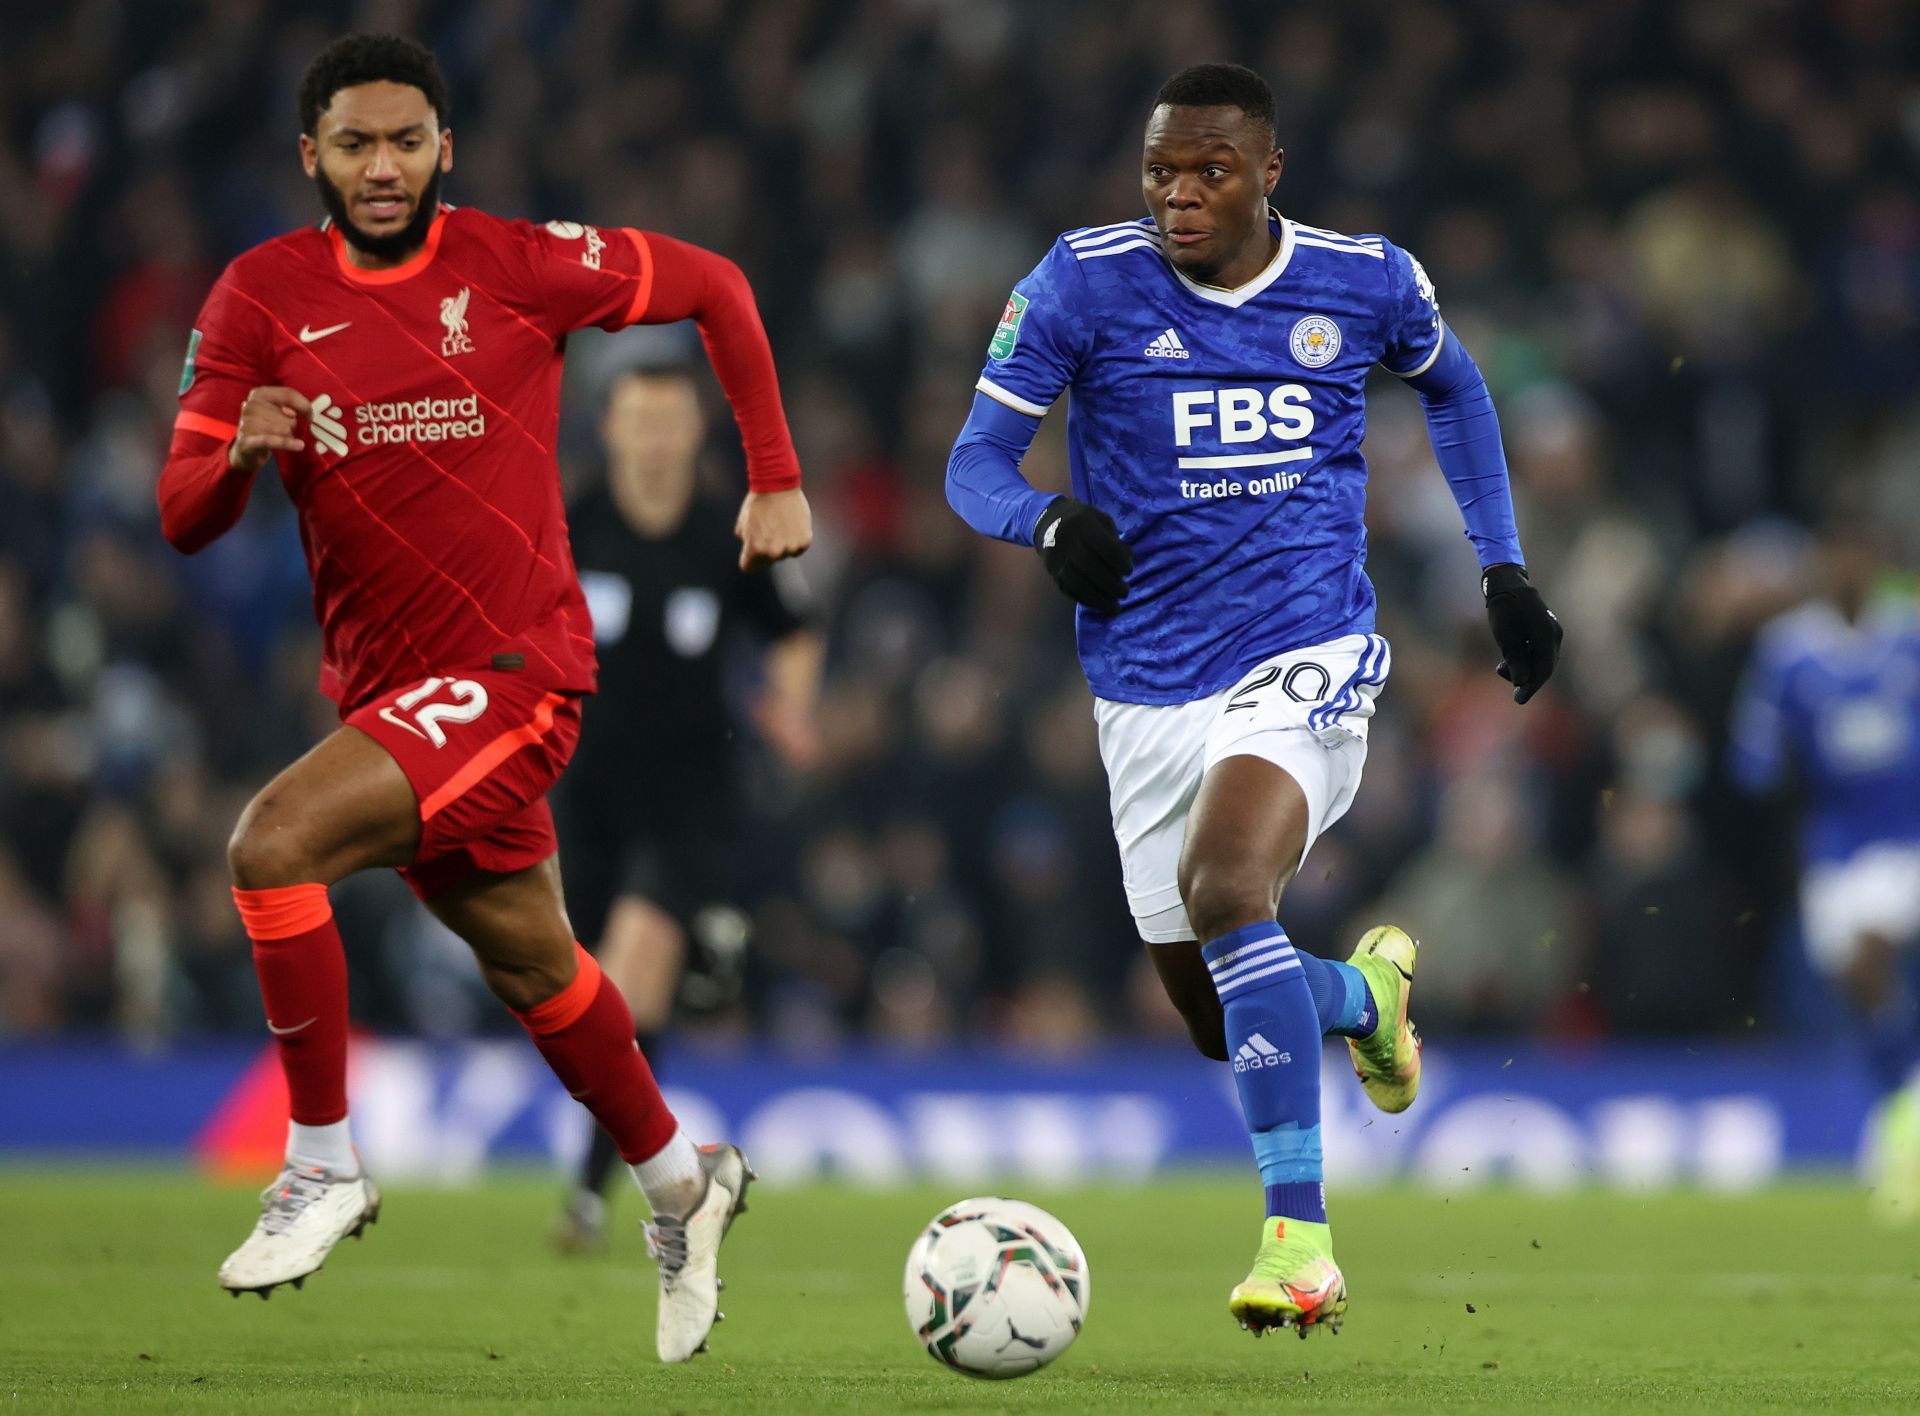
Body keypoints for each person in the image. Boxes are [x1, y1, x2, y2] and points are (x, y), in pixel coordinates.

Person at [155, 34, 811, 1362]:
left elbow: (720, 288)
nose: (382, 166)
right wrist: (239, 450)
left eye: (406, 141)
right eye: (355, 144)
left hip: (518, 675)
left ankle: (323, 1160)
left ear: (444, 147)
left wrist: (774, 470)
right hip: (388, 702)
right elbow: (182, 515)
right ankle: (685, 1185)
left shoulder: (517, 266)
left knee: (270, 847)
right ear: (312, 157)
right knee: (536, 967)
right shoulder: (256, 298)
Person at [945, 63, 1560, 1336]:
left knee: (1234, 889)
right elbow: (975, 463)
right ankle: (1365, 999)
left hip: (1307, 653)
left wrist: (1502, 565)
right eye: (1162, 171)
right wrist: (1045, 520)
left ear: (1268, 171)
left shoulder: (1365, 279)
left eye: (1210, 171)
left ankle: (1300, 1244)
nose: (1179, 195)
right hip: (1143, 684)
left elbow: (1457, 389)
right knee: (1223, 1018)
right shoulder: (1080, 280)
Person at [552, 363, 822, 1253]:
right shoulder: (566, 524)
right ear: (612, 428)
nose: (658, 439)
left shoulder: (727, 532)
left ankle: (602, 1195)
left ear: (696, 432)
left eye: (673, 421)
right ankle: (630, 1180)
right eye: (642, 421)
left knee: (625, 984)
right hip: (582, 795)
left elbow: (793, 629)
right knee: (602, 1005)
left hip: (691, 795)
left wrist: (787, 708)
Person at [1729, 518, 1920, 1223]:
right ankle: (1904, 1107)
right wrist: (1764, 763)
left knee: (1871, 954)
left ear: (1874, 558)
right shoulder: (1790, 650)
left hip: (1905, 835)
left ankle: (1906, 1105)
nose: (1848, 568)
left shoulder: (1910, 634)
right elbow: (1755, 747)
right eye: (1836, 555)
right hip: (1833, 844)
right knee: (1851, 979)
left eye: (1858, 553)